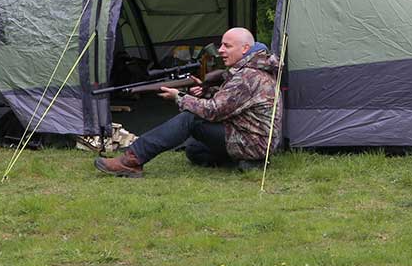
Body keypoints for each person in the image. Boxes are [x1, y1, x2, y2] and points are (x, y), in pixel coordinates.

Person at [94, 27, 281, 177]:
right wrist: (208, 90)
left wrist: (179, 97)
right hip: (254, 139)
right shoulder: (253, 70)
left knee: (191, 119)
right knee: (194, 150)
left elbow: (214, 111)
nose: (221, 50)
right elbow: (234, 104)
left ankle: (131, 160)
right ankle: (247, 163)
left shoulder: (248, 76)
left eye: (227, 46)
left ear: (245, 49)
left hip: (253, 143)